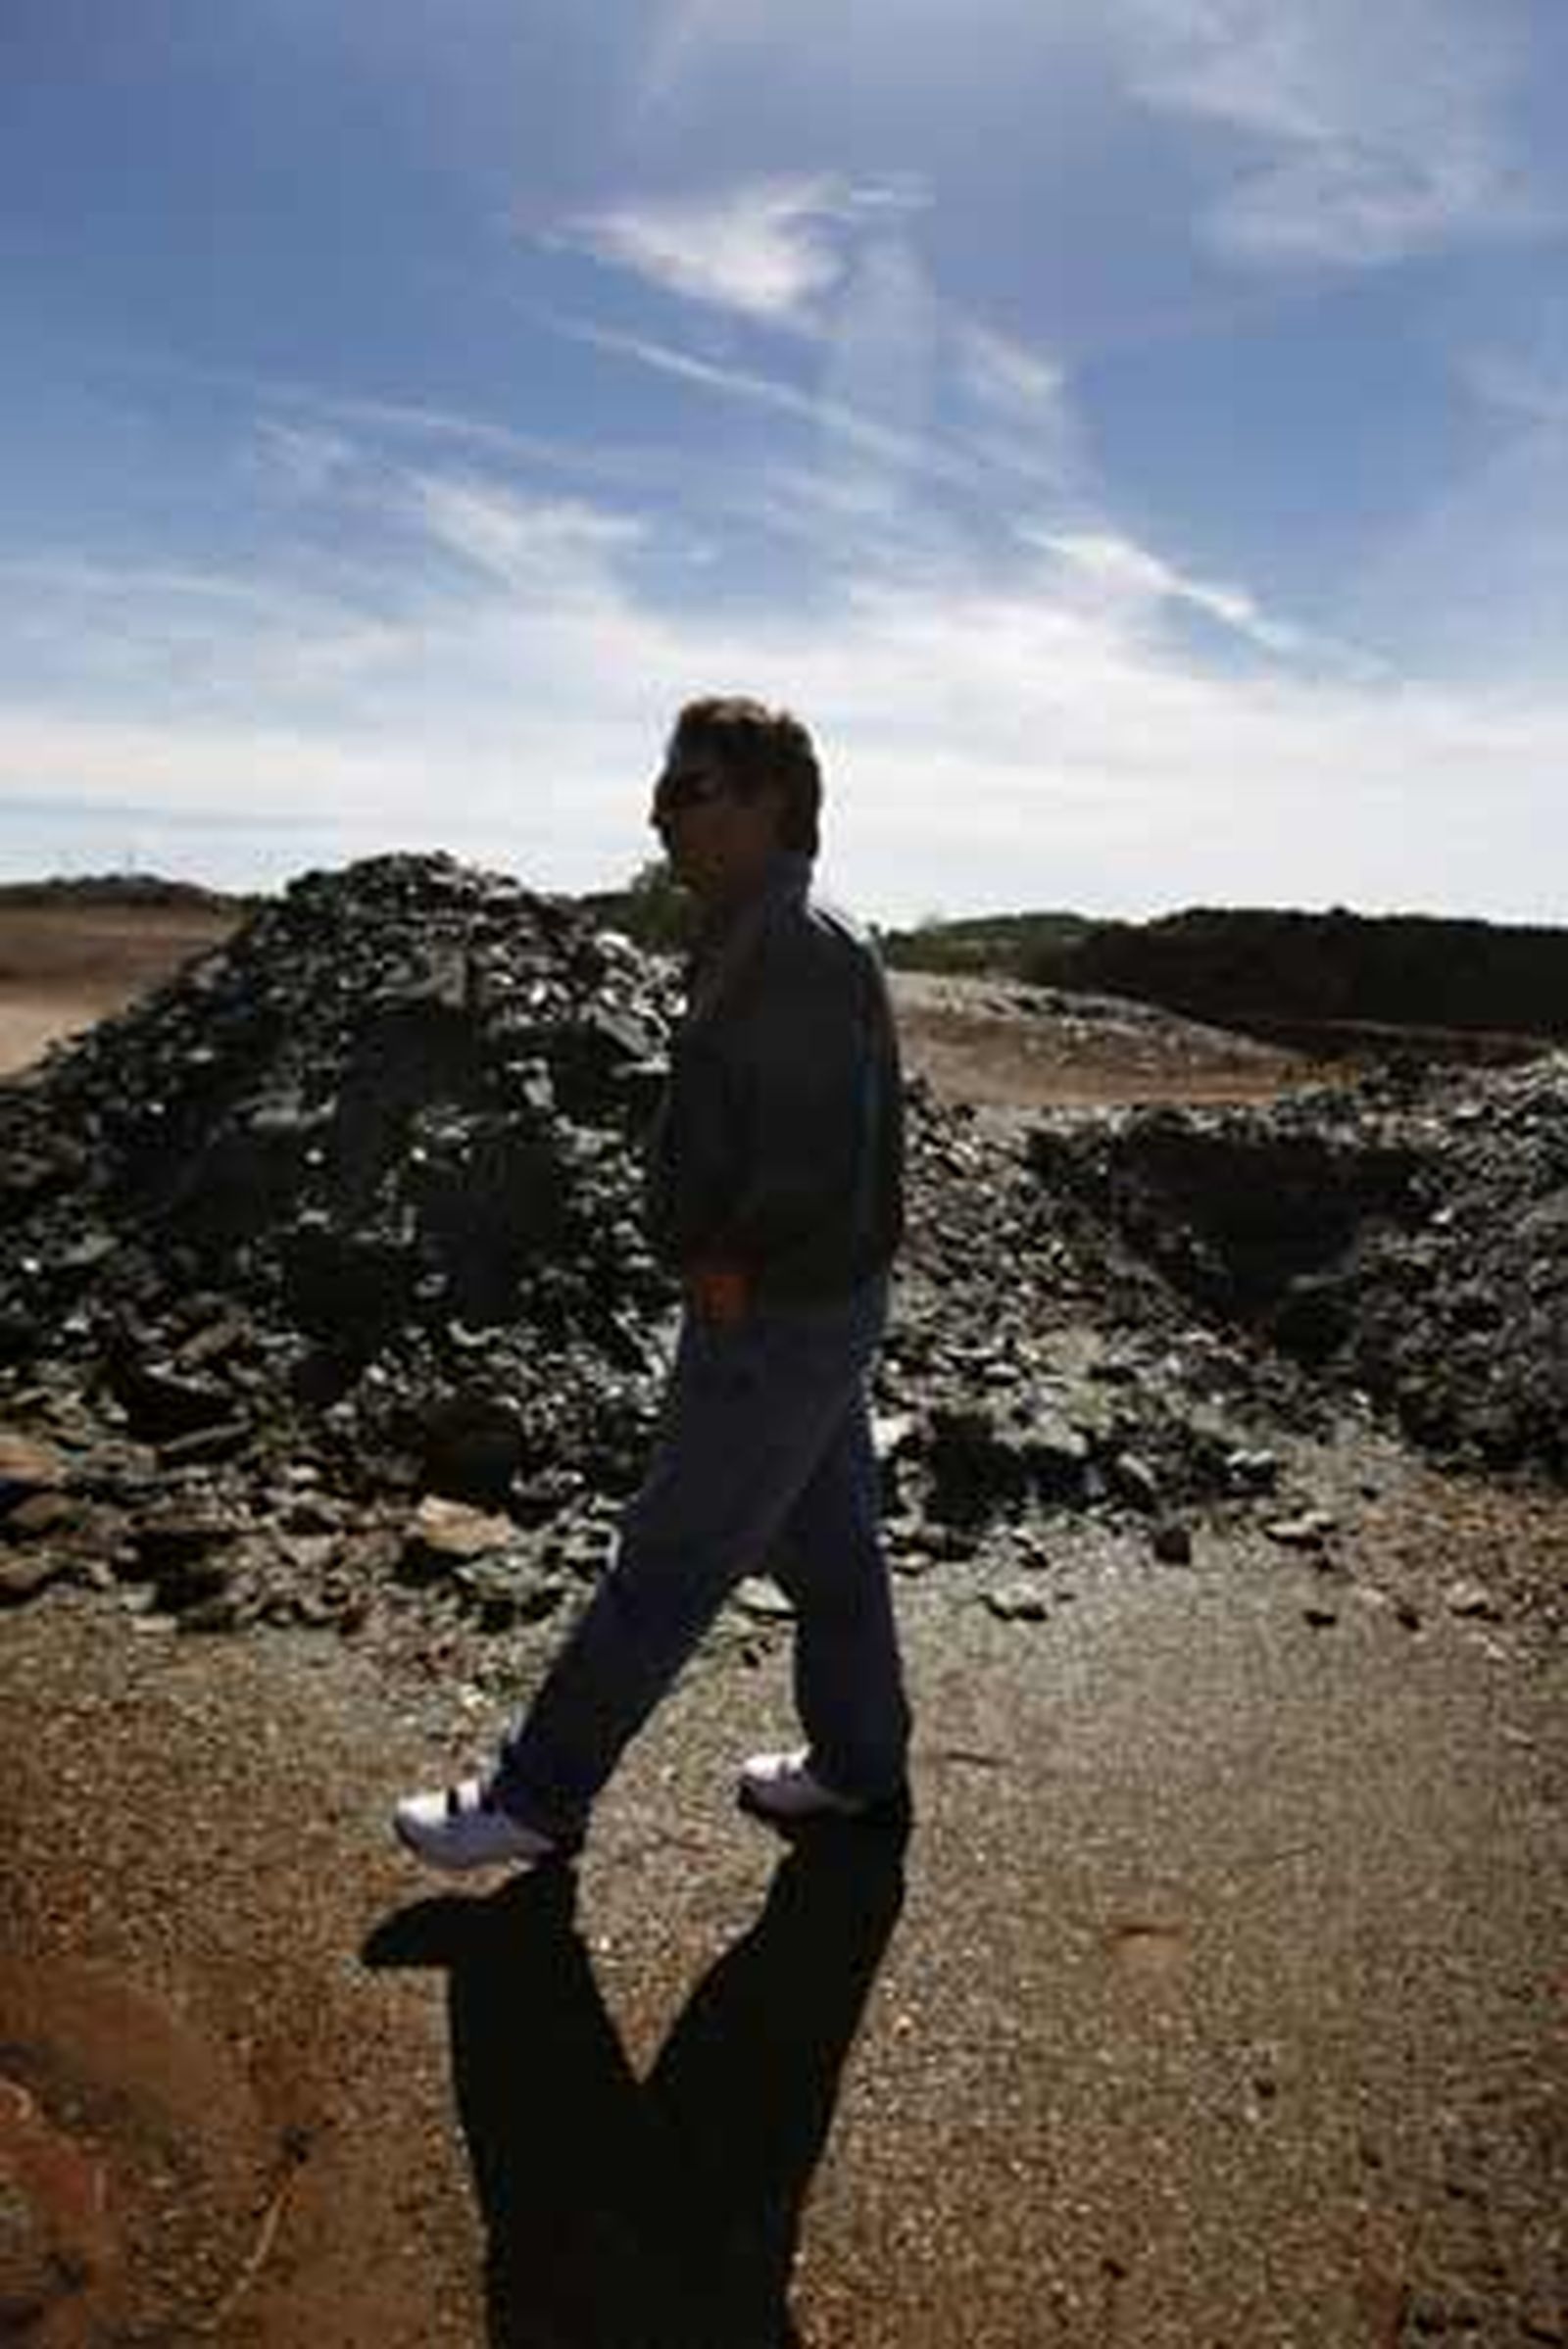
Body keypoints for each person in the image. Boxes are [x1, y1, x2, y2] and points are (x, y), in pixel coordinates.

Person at [395, 696, 910, 1871]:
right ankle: (860, 1771)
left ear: (770, 798)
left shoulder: (793, 939)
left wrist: (731, 1266)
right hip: (813, 1311)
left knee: (669, 1559)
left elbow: (820, 1149)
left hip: (778, 1316)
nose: (658, 813)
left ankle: (537, 1794)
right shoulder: (767, 924)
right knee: (831, 1556)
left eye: (689, 789)